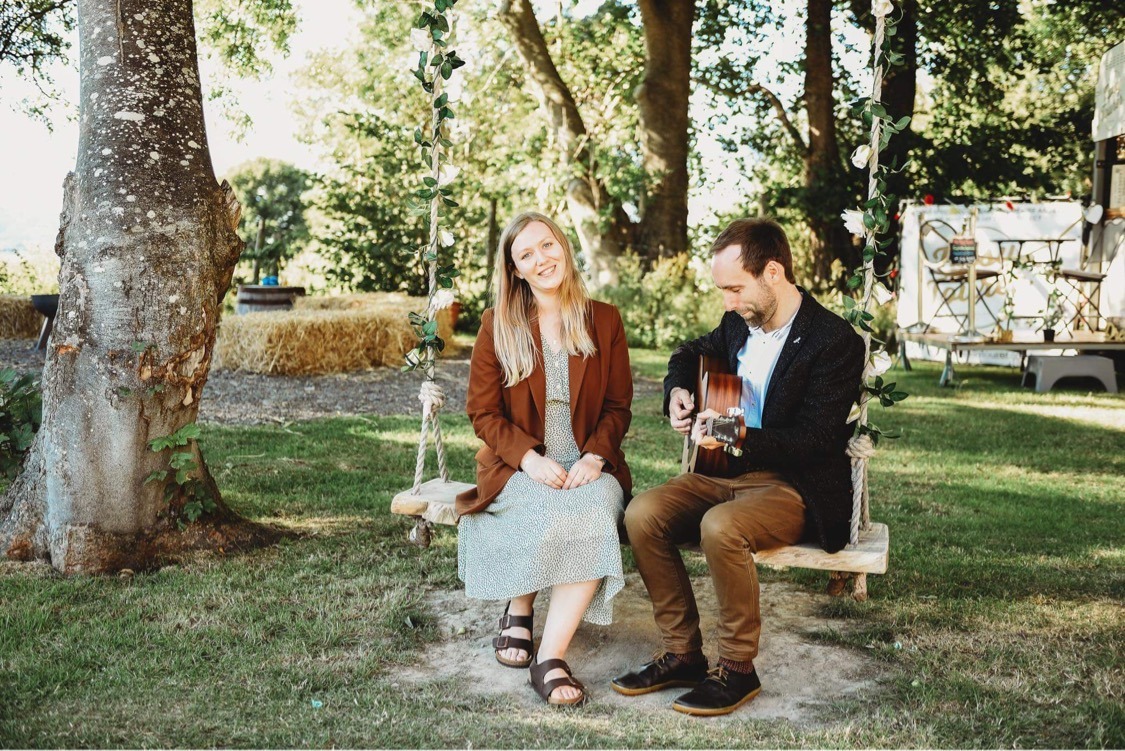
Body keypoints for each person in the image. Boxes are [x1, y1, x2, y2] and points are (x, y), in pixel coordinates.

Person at [611, 217, 865, 716]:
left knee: (721, 527)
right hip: (717, 474)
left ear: (773, 272)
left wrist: (728, 433)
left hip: (792, 486)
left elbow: (812, 441)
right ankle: (682, 653)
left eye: (734, 288)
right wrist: (677, 393)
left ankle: (738, 669)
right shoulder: (737, 325)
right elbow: (688, 354)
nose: (727, 301)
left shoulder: (833, 341)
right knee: (642, 514)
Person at [455, 211, 633, 707]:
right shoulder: (499, 325)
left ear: (564, 247)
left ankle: (549, 656)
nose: (541, 259)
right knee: (540, 506)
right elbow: (483, 413)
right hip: (519, 464)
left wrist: (596, 457)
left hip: (589, 465)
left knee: (593, 510)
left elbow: (619, 407)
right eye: (526, 255)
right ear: (515, 270)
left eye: (547, 246)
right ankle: (520, 604)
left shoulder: (605, 320)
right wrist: (528, 459)